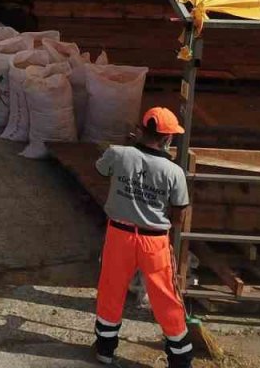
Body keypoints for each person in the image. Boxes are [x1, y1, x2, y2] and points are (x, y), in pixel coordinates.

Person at [93, 108, 193, 367]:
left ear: (140, 129)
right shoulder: (174, 172)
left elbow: (102, 170)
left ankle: (104, 349)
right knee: (165, 295)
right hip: (154, 240)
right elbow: (180, 214)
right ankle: (180, 358)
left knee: (111, 290)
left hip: (119, 234)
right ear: (168, 138)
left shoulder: (118, 153)